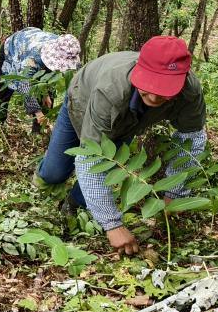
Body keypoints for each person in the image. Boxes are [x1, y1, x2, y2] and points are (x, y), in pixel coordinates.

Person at [35, 36, 207, 255]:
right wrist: (113, 225)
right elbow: (91, 156)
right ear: (139, 70)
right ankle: (42, 180)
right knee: (55, 172)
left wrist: (175, 193)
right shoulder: (110, 89)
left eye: (164, 89)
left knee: (107, 165)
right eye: (150, 85)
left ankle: (74, 204)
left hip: (126, 121)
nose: (154, 96)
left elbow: (191, 140)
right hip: (82, 98)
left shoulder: (189, 92)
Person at [0, 28, 81, 130]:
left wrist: (45, 93)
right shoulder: (33, 58)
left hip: (31, 46)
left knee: (48, 98)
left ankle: (38, 132)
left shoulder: (65, 47)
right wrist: (37, 112)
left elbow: (45, 77)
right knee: (4, 89)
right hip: (13, 48)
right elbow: (24, 84)